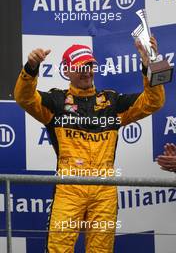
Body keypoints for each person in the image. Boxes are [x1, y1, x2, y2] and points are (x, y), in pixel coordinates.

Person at [14, 37, 165, 253]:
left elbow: (153, 102)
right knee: (58, 249)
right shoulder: (56, 102)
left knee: (101, 251)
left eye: (89, 65)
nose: (86, 71)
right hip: (69, 190)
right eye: (79, 67)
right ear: (66, 70)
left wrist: (150, 63)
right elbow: (24, 98)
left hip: (104, 191)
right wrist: (31, 68)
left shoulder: (112, 102)